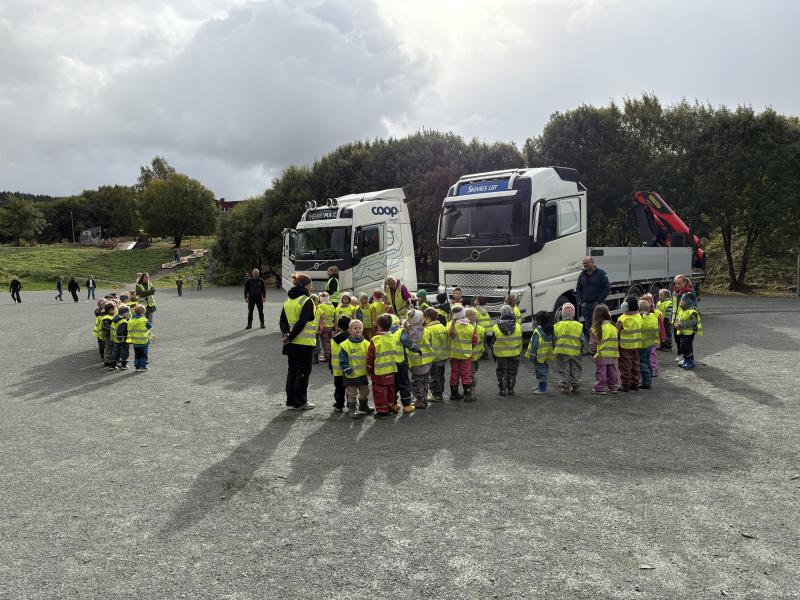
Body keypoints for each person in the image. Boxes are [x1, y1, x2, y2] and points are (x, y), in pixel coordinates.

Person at [279, 272, 316, 410]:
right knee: (303, 373)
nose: (311, 287)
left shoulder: (288, 300)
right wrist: (290, 336)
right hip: (303, 344)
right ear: (306, 286)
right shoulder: (307, 300)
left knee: (292, 372)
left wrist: (286, 334)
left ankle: (291, 401)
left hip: (291, 343)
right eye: (310, 284)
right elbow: (303, 321)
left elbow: (282, 320)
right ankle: (300, 402)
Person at [338, 319, 374, 418]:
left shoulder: (366, 343)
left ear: (362, 329)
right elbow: (342, 359)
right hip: (351, 374)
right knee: (352, 393)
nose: (357, 330)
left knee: (365, 392)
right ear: (349, 330)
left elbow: (371, 357)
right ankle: (352, 409)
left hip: (363, 374)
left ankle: (363, 406)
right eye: (355, 328)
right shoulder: (346, 344)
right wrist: (346, 369)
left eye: (360, 328)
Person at [367, 313, 400, 416]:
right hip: (391, 369)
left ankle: (382, 410)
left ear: (378, 325)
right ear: (390, 326)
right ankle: (391, 406)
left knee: (379, 390)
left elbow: (371, 356)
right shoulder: (393, 337)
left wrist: (369, 368)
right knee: (391, 389)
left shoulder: (376, 340)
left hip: (379, 371)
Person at [575, 256, 610, 340]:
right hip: (586, 306)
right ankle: (591, 347)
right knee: (588, 327)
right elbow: (578, 289)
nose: (585, 265)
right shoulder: (582, 275)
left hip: (598, 306)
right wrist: (581, 302)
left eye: (587, 263)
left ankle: (600, 345)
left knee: (599, 326)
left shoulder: (601, 273)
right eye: (584, 263)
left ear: (593, 263)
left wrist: (598, 302)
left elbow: (606, 288)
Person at [448, 304, 477, 402]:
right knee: (466, 374)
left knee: (454, 373)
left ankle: (454, 393)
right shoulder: (470, 327)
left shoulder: (449, 325)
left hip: (453, 355)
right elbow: (474, 341)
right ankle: (467, 394)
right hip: (466, 355)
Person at [588, 304, 619, 395]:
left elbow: (592, 343)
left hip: (601, 353)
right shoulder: (614, 327)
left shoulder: (596, 328)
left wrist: (592, 352)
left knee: (601, 372)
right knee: (612, 371)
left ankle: (600, 388)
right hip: (613, 353)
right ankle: (613, 387)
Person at [553, 302, 583, 394]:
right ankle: (576, 386)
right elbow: (582, 339)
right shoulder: (578, 325)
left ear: (562, 314)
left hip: (561, 351)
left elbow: (554, 338)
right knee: (575, 367)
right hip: (575, 351)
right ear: (573, 314)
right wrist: (581, 349)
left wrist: (554, 347)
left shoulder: (557, 325)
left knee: (563, 368)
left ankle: (565, 386)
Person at [493, 305, 522, 396]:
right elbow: (520, 340)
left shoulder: (496, 327)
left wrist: (494, 355)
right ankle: (511, 389)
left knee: (501, 371)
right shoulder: (518, 326)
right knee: (512, 371)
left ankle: (502, 389)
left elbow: (492, 342)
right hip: (514, 353)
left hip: (500, 354)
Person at [407, 308, 434, 409]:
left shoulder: (408, 332)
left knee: (416, 381)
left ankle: (419, 400)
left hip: (415, 361)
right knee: (424, 380)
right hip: (427, 359)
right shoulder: (426, 330)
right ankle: (423, 398)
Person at [616, 296, 642, 392]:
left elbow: (616, 332)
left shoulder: (622, 318)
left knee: (625, 365)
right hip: (636, 345)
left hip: (625, 346)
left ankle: (625, 384)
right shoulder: (639, 316)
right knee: (635, 364)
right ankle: (635, 383)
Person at [423, 307, 449, 403]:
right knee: (441, 375)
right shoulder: (442, 327)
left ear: (428, 318)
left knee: (434, 376)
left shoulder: (428, 329)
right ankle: (440, 392)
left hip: (434, 357)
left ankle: (436, 394)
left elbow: (426, 344)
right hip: (443, 355)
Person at [525, 310, 554, 395]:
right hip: (545, 353)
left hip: (538, 355)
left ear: (539, 321)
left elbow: (535, 345)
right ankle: (540, 385)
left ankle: (542, 389)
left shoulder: (538, 332)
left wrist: (532, 355)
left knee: (540, 370)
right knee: (544, 368)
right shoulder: (550, 329)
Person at [674, 292, 701, 369]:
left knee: (685, 347)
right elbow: (679, 319)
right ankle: (686, 359)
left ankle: (689, 361)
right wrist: (676, 323)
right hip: (683, 332)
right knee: (683, 346)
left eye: (682, 301)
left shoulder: (692, 312)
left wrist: (682, 325)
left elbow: (693, 322)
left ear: (688, 303)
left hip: (689, 333)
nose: (680, 302)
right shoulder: (682, 311)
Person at [330, 316, 351, 412]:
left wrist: (331, 366)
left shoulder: (334, 340)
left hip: (337, 369)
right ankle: (351, 404)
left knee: (339, 388)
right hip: (349, 369)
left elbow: (332, 354)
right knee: (351, 388)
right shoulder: (352, 339)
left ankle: (339, 404)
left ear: (339, 327)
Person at [465, 307, 486, 400]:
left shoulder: (463, 328)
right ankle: (471, 390)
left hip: (470, 355)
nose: (470, 317)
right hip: (473, 356)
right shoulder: (481, 329)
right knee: (471, 373)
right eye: (468, 315)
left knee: (469, 373)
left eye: (471, 315)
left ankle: (470, 389)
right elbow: (483, 341)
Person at [128, 304, 153, 371]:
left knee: (137, 354)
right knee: (144, 354)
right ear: (143, 312)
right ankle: (143, 366)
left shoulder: (131, 320)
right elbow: (149, 326)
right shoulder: (144, 320)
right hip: (143, 341)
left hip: (135, 341)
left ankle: (137, 366)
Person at [108, 305, 131, 370]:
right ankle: (123, 365)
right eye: (128, 312)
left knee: (115, 352)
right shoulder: (123, 322)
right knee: (124, 352)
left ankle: (112, 366)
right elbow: (120, 332)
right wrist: (122, 339)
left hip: (115, 340)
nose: (129, 313)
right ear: (124, 313)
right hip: (122, 340)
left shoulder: (115, 319)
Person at [316, 292, 336, 362]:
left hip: (324, 327)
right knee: (330, 341)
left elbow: (318, 316)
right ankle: (329, 354)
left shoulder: (321, 306)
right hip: (331, 326)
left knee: (325, 342)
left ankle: (327, 356)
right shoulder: (332, 305)